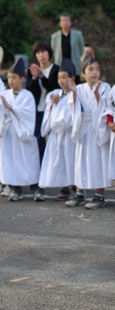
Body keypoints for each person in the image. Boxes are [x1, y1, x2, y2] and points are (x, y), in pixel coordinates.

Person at [0, 58, 40, 201]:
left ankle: (35, 187)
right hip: (9, 133)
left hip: (22, 132)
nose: (11, 81)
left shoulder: (28, 96)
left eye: (14, 78)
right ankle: (15, 189)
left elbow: (28, 113)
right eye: (9, 77)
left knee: (27, 160)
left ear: (22, 79)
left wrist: (11, 107)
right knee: (10, 160)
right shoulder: (4, 94)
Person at [65, 57, 112, 209]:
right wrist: (73, 93)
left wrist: (98, 96)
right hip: (84, 127)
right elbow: (74, 108)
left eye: (97, 69)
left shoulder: (105, 87)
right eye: (91, 69)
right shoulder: (79, 88)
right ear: (83, 73)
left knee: (99, 161)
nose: (95, 72)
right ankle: (80, 192)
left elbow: (108, 108)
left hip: (99, 129)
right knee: (81, 161)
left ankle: (99, 194)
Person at [38, 59, 77, 200]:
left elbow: (69, 118)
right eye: (59, 77)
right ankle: (64, 188)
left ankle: (74, 187)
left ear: (72, 78)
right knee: (60, 161)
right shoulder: (54, 94)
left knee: (70, 160)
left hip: (69, 134)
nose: (61, 80)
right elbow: (50, 116)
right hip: (57, 135)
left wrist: (58, 104)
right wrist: (53, 104)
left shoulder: (76, 93)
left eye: (64, 77)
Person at [26, 41, 60, 162]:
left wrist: (42, 77)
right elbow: (29, 90)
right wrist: (34, 78)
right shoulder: (31, 70)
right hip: (38, 110)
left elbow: (54, 88)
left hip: (51, 109)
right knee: (38, 140)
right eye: (38, 52)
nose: (41, 55)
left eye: (44, 52)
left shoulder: (56, 70)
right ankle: (39, 171)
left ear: (49, 53)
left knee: (51, 141)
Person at [50, 13, 85, 82]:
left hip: (74, 64)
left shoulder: (78, 34)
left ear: (70, 23)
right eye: (63, 20)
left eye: (67, 20)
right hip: (60, 65)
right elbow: (52, 51)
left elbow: (81, 49)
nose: (65, 22)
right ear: (60, 23)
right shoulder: (54, 36)